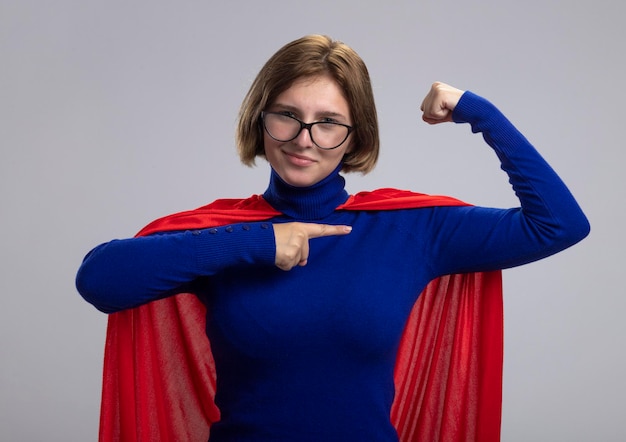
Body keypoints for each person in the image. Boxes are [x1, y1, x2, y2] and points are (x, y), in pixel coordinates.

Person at [76, 34, 589, 442]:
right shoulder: (219, 233)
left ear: (357, 136)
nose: (304, 139)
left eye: (328, 123)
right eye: (287, 116)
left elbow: (559, 224)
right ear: (260, 121)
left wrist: (480, 112)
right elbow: (99, 279)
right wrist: (254, 243)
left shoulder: (411, 228)